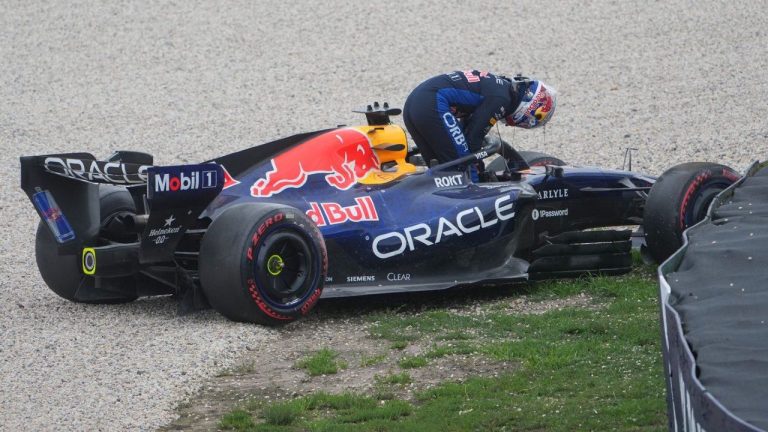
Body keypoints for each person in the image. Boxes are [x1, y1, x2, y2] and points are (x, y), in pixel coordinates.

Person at [402, 70, 557, 180]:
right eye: (533, 118)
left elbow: (466, 129)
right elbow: (473, 138)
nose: (527, 122)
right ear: (531, 106)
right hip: (431, 103)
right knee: (464, 167)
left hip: (413, 104)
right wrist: (476, 167)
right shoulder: (501, 99)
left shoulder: (499, 87)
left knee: (440, 170)